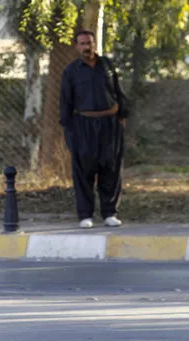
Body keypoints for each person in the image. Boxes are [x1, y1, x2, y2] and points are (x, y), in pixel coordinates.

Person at [60, 30, 128, 229]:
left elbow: (117, 91)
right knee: (84, 171)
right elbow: (65, 103)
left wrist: (122, 115)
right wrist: (70, 132)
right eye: (82, 44)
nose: (86, 47)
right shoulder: (71, 71)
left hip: (110, 125)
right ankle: (85, 215)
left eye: (89, 43)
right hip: (84, 127)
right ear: (76, 46)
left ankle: (109, 213)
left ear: (94, 43)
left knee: (111, 169)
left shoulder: (107, 65)